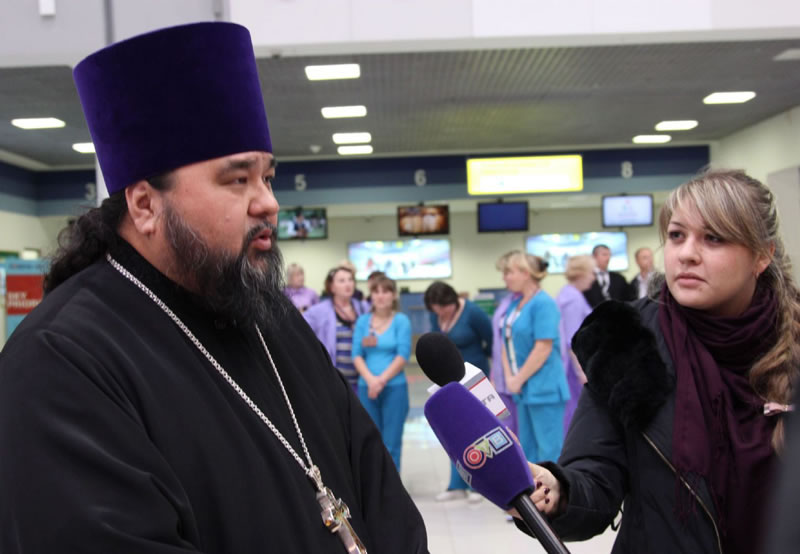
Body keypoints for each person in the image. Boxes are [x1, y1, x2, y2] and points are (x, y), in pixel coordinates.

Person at [0, 23, 428, 553]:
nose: (268, 202)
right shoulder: (61, 360)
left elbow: (382, 497)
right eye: (237, 180)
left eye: (268, 178)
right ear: (144, 204)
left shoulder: (272, 317)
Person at [522, 170, 799, 554]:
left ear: (762, 255)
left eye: (714, 238)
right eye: (676, 235)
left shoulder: (791, 345)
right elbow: (595, 476)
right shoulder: (628, 339)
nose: (686, 254)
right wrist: (556, 491)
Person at [424, 281, 493, 502]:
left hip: (473, 377)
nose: (440, 312)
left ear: (452, 301)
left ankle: (479, 486)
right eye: (436, 309)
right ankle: (457, 484)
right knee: (454, 431)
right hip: (448, 381)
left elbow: (491, 340)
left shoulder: (473, 313)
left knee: (477, 430)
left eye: (444, 307)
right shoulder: (435, 316)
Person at [501, 251, 569, 463]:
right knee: (528, 451)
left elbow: (543, 348)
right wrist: (510, 378)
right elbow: (505, 342)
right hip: (523, 389)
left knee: (549, 452)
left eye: (509, 272)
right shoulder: (515, 305)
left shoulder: (544, 304)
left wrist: (518, 379)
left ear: (526, 273)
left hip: (544, 389)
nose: (505, 277)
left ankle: (554, 486)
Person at [352, 275, 412, 471]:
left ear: (394, 295)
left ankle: (393, 488)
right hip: (367, 389)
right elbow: (356, 355)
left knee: (391, 443)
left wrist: (381, 381)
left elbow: (403, 355)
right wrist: (371, 381)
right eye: (376, 291)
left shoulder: (401, 321)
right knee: (371, 442)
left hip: (394, 388)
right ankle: (376, 485)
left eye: (385, 291)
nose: (380, 296)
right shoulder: (363, 321)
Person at [304, 265, 369, 390]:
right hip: (334, 382)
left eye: (350, 279)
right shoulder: (319, 311)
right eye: (342, 281)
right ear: (332, 287)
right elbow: (299, 332)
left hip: (362, 381)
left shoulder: (364, 308)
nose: (348, 284)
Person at [555, 255, 594, 432]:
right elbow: (572, 339)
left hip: (568, 364)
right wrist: (581, 370)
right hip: (571, 367)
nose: (593, 277)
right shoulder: (573, 299)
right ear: (581, 274)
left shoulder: (567, 294)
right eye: (591, 273)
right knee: (573, 413)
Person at [489, 252, 521, 439]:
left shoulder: (529, 304)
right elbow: (498, 342)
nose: (504, 278)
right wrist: (494, 376)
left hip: (519, 382)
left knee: (523, 438)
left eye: (508, 272)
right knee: (505, 435)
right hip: (502, 382)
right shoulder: (507, 302)